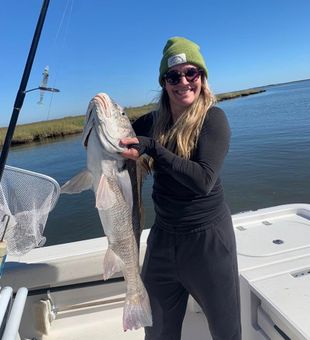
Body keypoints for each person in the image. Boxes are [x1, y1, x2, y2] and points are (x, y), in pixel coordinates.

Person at [121, 36, 241, 340]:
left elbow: (204, 180)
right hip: (163, 239)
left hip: (208, 242)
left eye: (192, 73)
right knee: (157, 332)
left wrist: (154, 149)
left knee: (226, 332)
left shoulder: (214, 120)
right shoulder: (149, 122)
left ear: (202, 77)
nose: (183, 82)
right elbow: (116, 147)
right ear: (164, 82)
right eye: (174, 76)